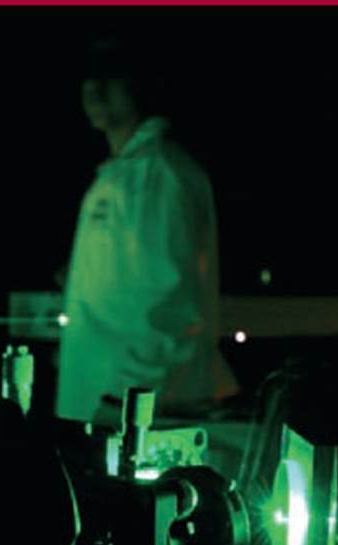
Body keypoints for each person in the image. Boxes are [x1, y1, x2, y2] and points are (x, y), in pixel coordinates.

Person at [55, 39, 238, 424]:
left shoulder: (160, 174)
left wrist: (126, 398)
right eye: (89, 78)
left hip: (131, 410)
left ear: (141, 86)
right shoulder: (124, 173)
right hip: (106, 405)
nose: (94, 90)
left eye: (110, 77)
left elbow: (171, 304)